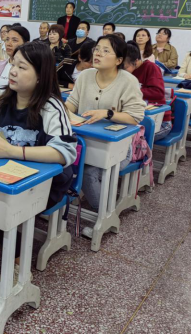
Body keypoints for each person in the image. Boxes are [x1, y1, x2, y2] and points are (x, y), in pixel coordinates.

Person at [0, 42, 77, 278]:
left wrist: (12, 151)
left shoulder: (52, 106)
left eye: (22, 67)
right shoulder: (0, 96)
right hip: (1, 170)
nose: (12, 71)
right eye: (13, 64)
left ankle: (18, 265)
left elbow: (64, 152)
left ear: (40, 76)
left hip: (43, 181)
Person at [65, 35, 145, 235]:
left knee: (89, 172)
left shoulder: (128, 81)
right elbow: (72, 104)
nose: (98, 53)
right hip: (83, 142)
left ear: (119, 60)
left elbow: (135, 117)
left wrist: (108, 114)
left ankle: (106, 215)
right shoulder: (85, 76)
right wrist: (62, 111)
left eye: (106, 50)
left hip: (118, 148)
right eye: (97, 49)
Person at [124, 41, 171, 141]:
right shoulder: (125, 72)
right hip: (133, 119)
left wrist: (132, 90)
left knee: (132, 141)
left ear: (136, 61)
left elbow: (158, 93)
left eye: (125, 67)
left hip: (159, 122)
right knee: (123, 139)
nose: (123, 71)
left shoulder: (151, 68)